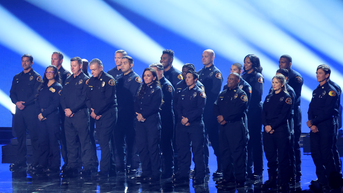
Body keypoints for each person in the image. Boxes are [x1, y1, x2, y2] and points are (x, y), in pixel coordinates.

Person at [60, 57, 98, 178]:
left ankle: (88, 166)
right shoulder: (68, 80)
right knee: (70, 142)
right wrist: (66, 109)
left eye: (74, 66)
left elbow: (84, 98)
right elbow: (63, 96)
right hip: (68, 116)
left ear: (80, 66)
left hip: (80, 115)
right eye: (71, 66)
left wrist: (72, 109)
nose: (72, 68)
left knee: (84, 141)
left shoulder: (86, 80)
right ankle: (73, 165)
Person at [214, 73, 249, 188]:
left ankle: (240, 179)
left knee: (237, 153)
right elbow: (216, 106)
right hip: (223, 127)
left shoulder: (241, 94)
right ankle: (227, 177)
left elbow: (239, 110)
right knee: (225, 152)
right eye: (228, 78)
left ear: (238, 81)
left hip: (235, 126)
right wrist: (219, 117)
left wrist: (225, 118)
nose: (229, 81)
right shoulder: (222, 94)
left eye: (232, 79)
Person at [307, 64, 338, 192]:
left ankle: (333, 183)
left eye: (320, 73)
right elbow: (311, 108)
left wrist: (314, 121)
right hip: (315, 127)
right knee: (316, 154)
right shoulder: (316, 91)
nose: (317, 75)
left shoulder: (331, 91)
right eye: (317, 73)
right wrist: (311, 123)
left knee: (326, 154)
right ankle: (322, 180)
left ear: (327, 75)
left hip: (325, 126)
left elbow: (328, 111)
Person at [173, 70, 206, 185]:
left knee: (197, 151)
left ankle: (200, 175)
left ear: (195, 79)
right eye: (186, 77)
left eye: (189, 77)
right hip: (182, 125)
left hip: (195, 125)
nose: (186, 79)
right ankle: (183, 174)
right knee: (183, 150)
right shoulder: (182, 92)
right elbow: (177, 107)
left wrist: (188, 119)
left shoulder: (199, 92)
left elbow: (200, 109)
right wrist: (182, 118)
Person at [86, 58, 117, 179]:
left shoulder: (109, 80)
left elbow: (108, 100)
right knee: (103, 141)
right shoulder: (90, 81)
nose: (92, 72)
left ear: (101, 68)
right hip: (96, 114)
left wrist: (97, 112)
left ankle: (104, 170)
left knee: (104, 141)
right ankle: (111, 167)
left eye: (94, 69)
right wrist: (92, 111)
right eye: (91, 70)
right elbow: (87, 98)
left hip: (108, 114)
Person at [10, 54, 41, 172]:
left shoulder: (36, 77)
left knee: (34, 136)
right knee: (20, 136)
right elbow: (12, 93)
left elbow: (36, 94)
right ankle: (20, 160)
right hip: (19, 111)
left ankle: (36, 161)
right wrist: (17, 102)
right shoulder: (17, 77)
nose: (24, 63)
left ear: (31, 63)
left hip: (30, 110)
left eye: (27, 61)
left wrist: (24, 103)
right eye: (23, 61)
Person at [261, 74, 292, 191]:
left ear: (282, 84)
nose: (274, 85)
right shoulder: (269, 97)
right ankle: (272, 180)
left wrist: (272, 126)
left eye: (276, 82)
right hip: (268, 131)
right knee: (271, 157)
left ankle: (283, 181)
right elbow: (263, 112)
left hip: (280, 130)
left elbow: (284, 116)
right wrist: (266, 125)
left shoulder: (286, 97)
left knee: (283, 157)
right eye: (273, 82)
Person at [114, 55, 141, 175]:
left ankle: (133, 165)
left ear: (131, 65)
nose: (122, 64)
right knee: (118, 141)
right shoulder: (118, 78)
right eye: (121, 62)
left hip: (130, 115)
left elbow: (135, 98)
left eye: (125, 63)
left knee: (132, 142)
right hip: (118, 115)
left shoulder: (135, 79)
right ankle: (119, 165)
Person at [134, 67, 162, 182]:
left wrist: (143, 115)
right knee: (142, 147)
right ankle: (145, 171)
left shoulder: (157, 89)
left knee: (152, 147)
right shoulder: (142, 88)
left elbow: (154, 106)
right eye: (145, 75)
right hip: (140, 122)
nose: (146, 78)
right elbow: (135, 102)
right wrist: (138, 114)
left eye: (148, 75)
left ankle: (155, 173)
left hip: (151, 121)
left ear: (154, 77)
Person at [198, 49, 223, 177]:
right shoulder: (200, 72)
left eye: (206, 56)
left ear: (212, 57)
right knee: (201, 141)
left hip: (211, 111)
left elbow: (214, 93)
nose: (203, 58)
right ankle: (204, 167)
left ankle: (221, 167)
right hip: (200, 111)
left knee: (214, 139)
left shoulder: (216, 73)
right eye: (202, 56)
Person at [34, 65, 63, 174]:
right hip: (41, 117)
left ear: (55, 74)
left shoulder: (58, 87)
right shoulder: (42, 86)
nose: (49, 74)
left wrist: (45, 113)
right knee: (43, 141)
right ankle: (43, 164)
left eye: (51, 72)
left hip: (52, 117)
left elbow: (56, 103)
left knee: (53, 141)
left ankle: (55, 165)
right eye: (47, 72)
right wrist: (39, 113)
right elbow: (36, 100)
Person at [279, 54, 303, 182]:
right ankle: (285, 170)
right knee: (283, 144)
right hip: (283, 114)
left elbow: (295, 97)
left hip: (293, 113)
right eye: (279, 62)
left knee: (293, 143)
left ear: (289, 64)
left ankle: (296, 171)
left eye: (283, 62)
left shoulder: (295, 78)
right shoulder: (279, 78)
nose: (280, 64)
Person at [150, 63, 175, 179]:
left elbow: (166, 105)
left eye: (153, 72)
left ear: (160, 72)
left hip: (166, 120)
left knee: (166, 145)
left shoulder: (166, 86)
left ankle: (168, 170)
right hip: (156, 120)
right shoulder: (154, 85)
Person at [242, 54, 264, 180]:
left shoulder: (258, 77)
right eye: (245, 62)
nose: (246, 64)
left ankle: (258, 170)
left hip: (254, 111)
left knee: (255, 141)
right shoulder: (243, 76)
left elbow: (256, 95)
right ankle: (247, 168)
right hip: (245, 112)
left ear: (254, 64)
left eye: (248, 62)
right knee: (247, 141)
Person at [51, 51, 71, 171]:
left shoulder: (65, 75)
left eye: (55, 59)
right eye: (52, 59)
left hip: (62, 111)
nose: (52, 61)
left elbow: (66, 93)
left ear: (61, 61)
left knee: (64, 139)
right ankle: (53, 163)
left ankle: (67, 162)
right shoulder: (49, 74)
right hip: (52, 113)